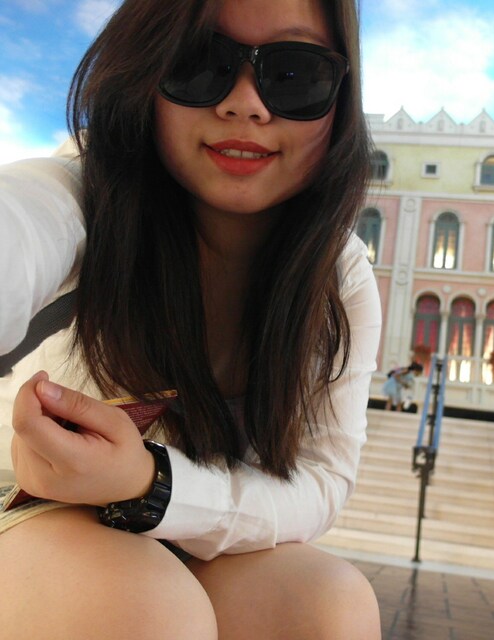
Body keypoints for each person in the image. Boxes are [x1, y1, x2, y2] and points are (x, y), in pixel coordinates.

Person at [0, 0, 382, 638]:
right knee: (138, 608)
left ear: (340, 99)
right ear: (144, 72)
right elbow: (20, 224)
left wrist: (149, 485)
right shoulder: (83, 193)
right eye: (201, 62)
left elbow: (320, 481)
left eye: (293, 74)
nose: (245, 104)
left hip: (186, 528)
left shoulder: (337, 273)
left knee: (326, 606)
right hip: (22, 503)